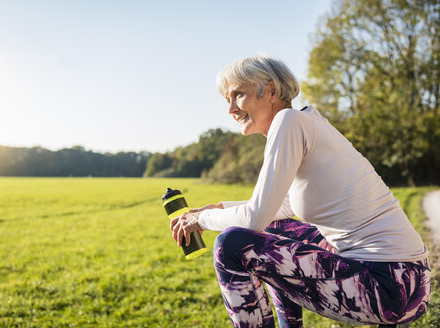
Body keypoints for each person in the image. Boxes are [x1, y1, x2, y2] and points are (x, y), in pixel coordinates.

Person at [169, 55, 431, 328]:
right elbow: (279, 208)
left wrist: (200, 220)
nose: (232, 109)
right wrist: (215, 209)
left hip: (386, 286)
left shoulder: (288, 122)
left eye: (238, 95)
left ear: (271, 90)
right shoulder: (306, 122)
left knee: (231, 244)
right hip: (411, 279)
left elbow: (254, 217)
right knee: (275, 229)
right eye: (227, 100)